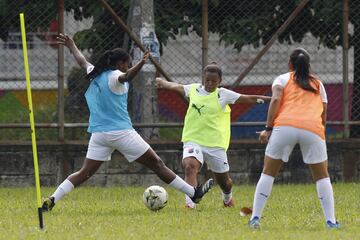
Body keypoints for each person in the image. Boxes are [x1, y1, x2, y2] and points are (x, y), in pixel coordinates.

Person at [41, 33, 214, 212]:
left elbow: (81, 60)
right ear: (119, 64)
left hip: (99, 135)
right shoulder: (116, 76)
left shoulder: (95, 73)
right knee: (157, 164)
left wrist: (71, 46)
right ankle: (193, 193)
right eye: (127, 63)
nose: (128, 65)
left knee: (84, 173)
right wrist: (141, 63)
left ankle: (52, 199)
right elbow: (127, 77)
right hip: (120, 133)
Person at [156, 62, 271, 209]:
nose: (210, 84)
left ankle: (227, 198)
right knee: (190, 166)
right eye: (207, 80)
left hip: (215, 144)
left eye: (214, 81)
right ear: (203, 79)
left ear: (220, 81)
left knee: (224, 182)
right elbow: (175, 86)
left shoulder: (223, 94)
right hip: (193, 139)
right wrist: (162, 82)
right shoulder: (193, 89)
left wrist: (272, 100)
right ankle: (190, 205)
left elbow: (249, 98)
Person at [248, 48, 339, 229]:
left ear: (290, 64)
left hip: (285, 126)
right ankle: (330, 222)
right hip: (313, 128)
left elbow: (275, 100)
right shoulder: (318, 84)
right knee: (322, 177)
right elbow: (324, 113)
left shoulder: (282, 79)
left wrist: (268, 129)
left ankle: (255, 219)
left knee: (268, 172)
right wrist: (319, 132)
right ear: (308, 65)